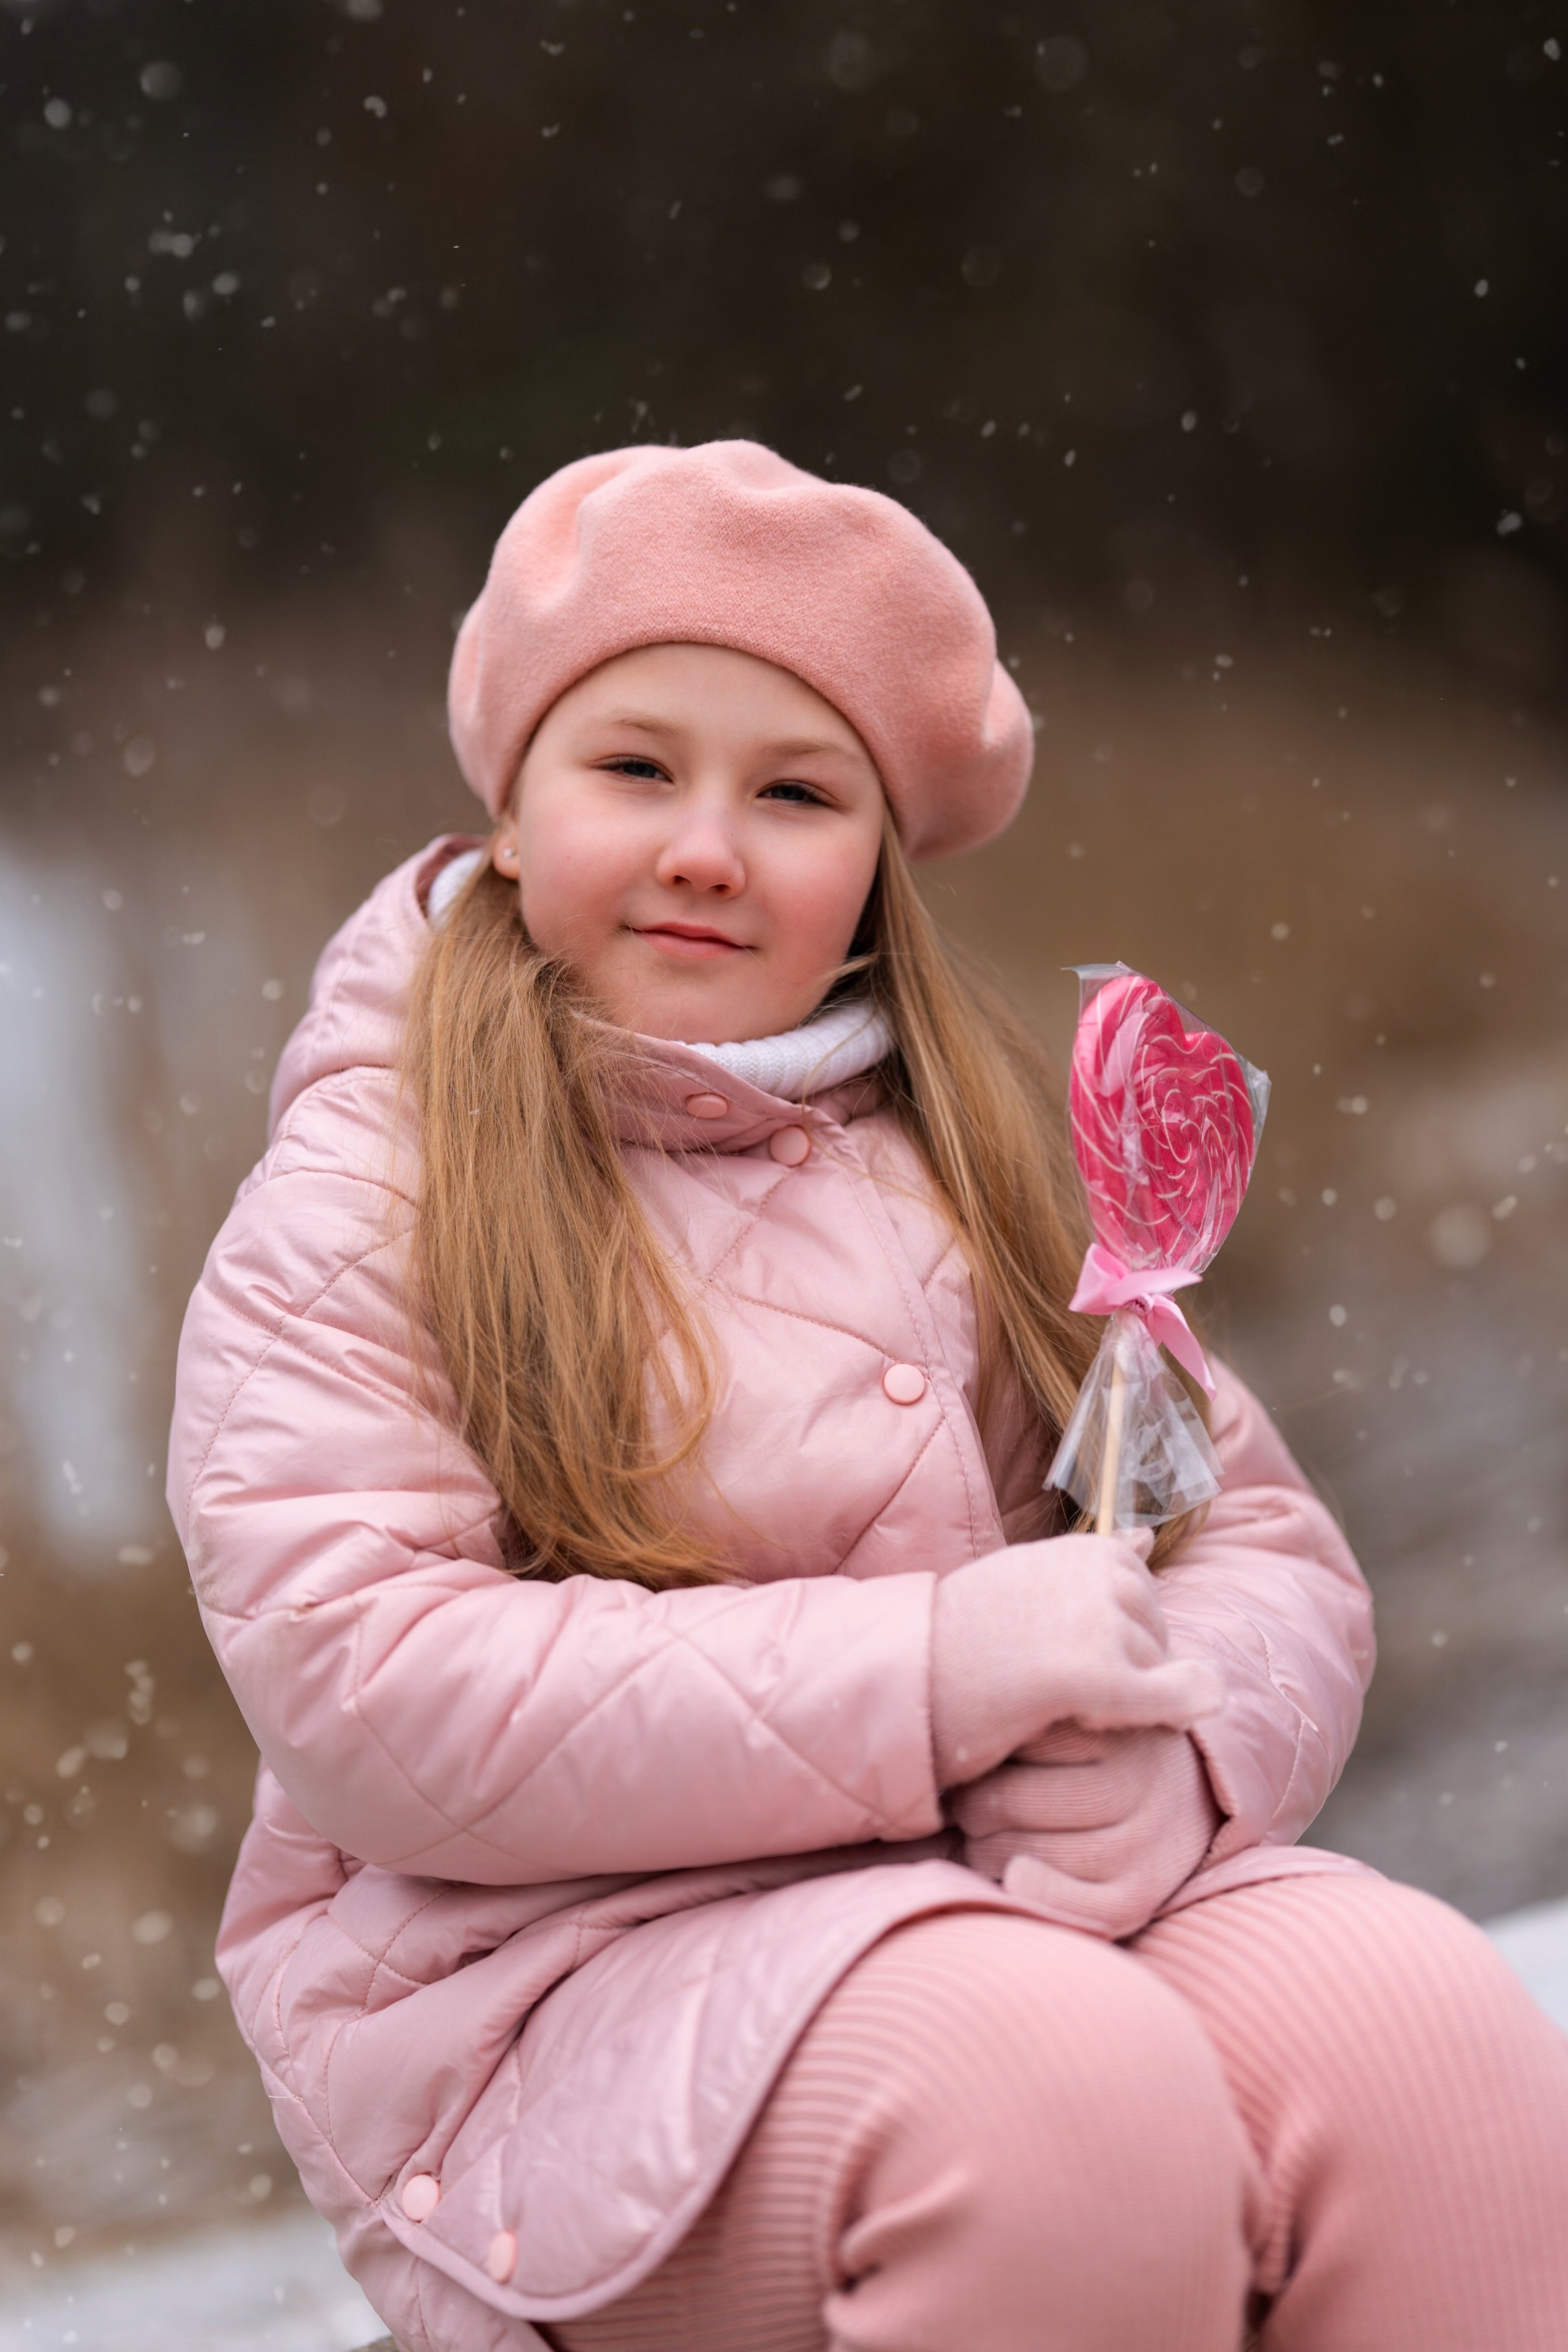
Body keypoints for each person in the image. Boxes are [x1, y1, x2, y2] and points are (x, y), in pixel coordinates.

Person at [168, 442, 1568, 2352]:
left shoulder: (982, 1165)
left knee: (1420, 2033)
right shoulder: (374, 1197)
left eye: (798, 791)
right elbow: (368, 1680)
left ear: (873, 876)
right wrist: (937, 1674)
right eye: (637, 766)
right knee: (1047, 2108)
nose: (706, 846)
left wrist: (1186, 1754)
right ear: (510, 810)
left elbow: (1243, 1536)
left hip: (999, 1905)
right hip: (550, 1988)